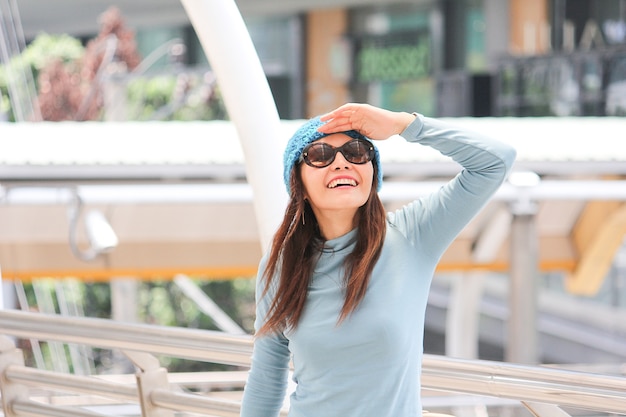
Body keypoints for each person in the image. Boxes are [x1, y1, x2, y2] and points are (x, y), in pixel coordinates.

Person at [240, 103, 516, 417]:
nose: (341, 163)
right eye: (319, 155)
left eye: (356, 151)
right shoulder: (281, 266)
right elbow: (266, 378)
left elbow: (496, 161)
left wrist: (402, 124)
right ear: (298, 183)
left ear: (373, 172)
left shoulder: (412, 235)